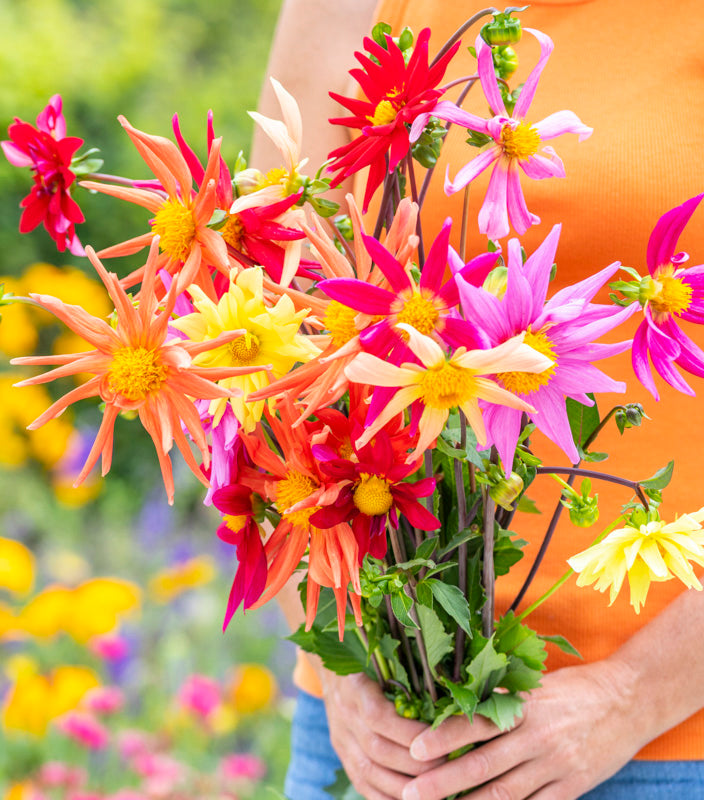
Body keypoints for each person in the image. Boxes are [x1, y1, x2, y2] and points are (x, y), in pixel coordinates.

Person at [251, 1, 704, 798]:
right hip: (374, 738)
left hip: (665, 748)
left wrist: (631, 695)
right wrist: (344, 662)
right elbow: (260, 353)